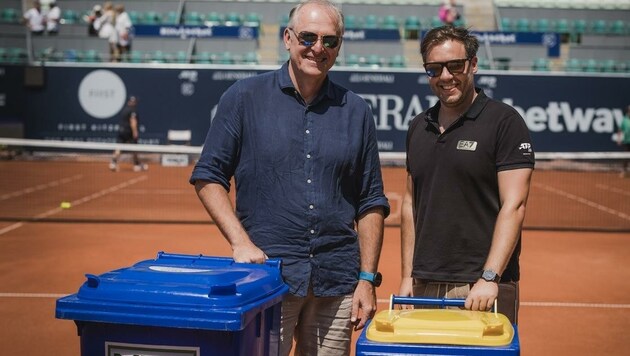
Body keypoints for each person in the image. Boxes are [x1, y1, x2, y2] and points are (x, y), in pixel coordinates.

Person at [190, 1, 390, 355]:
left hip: (337, 282)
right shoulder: (243, 97)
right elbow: (208, 175)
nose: (318, 48)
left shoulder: (356, 110)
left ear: (339, 46)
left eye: (330, 41)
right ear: (287, 38)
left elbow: (371, 199)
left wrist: (366, 278)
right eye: (308, 37)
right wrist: (239, 242)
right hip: (267, 280)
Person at [399, 25, 534, 325]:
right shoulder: (418, 126)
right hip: (423, 285)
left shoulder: (505, 122)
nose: (445, 76)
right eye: (434, 69)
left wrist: (490, 276)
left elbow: (515, 206)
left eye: (455, 65)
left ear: (473, 64)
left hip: (480, 287)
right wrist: (407, 275)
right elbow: (410, 204)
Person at [109, 96, 148, 172]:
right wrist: (135, 132)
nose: (135, 103)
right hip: (129, 132)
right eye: (134, 102)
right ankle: (136, 165)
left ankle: (113, 163)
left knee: (119, 147)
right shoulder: (133, 111)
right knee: (134, 149)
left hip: (121, 131)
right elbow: (133, 121)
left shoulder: (124, 110)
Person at [617, 105, 630, 178]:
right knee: (625, 158)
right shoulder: (624, 120)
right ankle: (624, 171)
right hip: (626, 142)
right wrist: (619, 139)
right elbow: (620, 130)